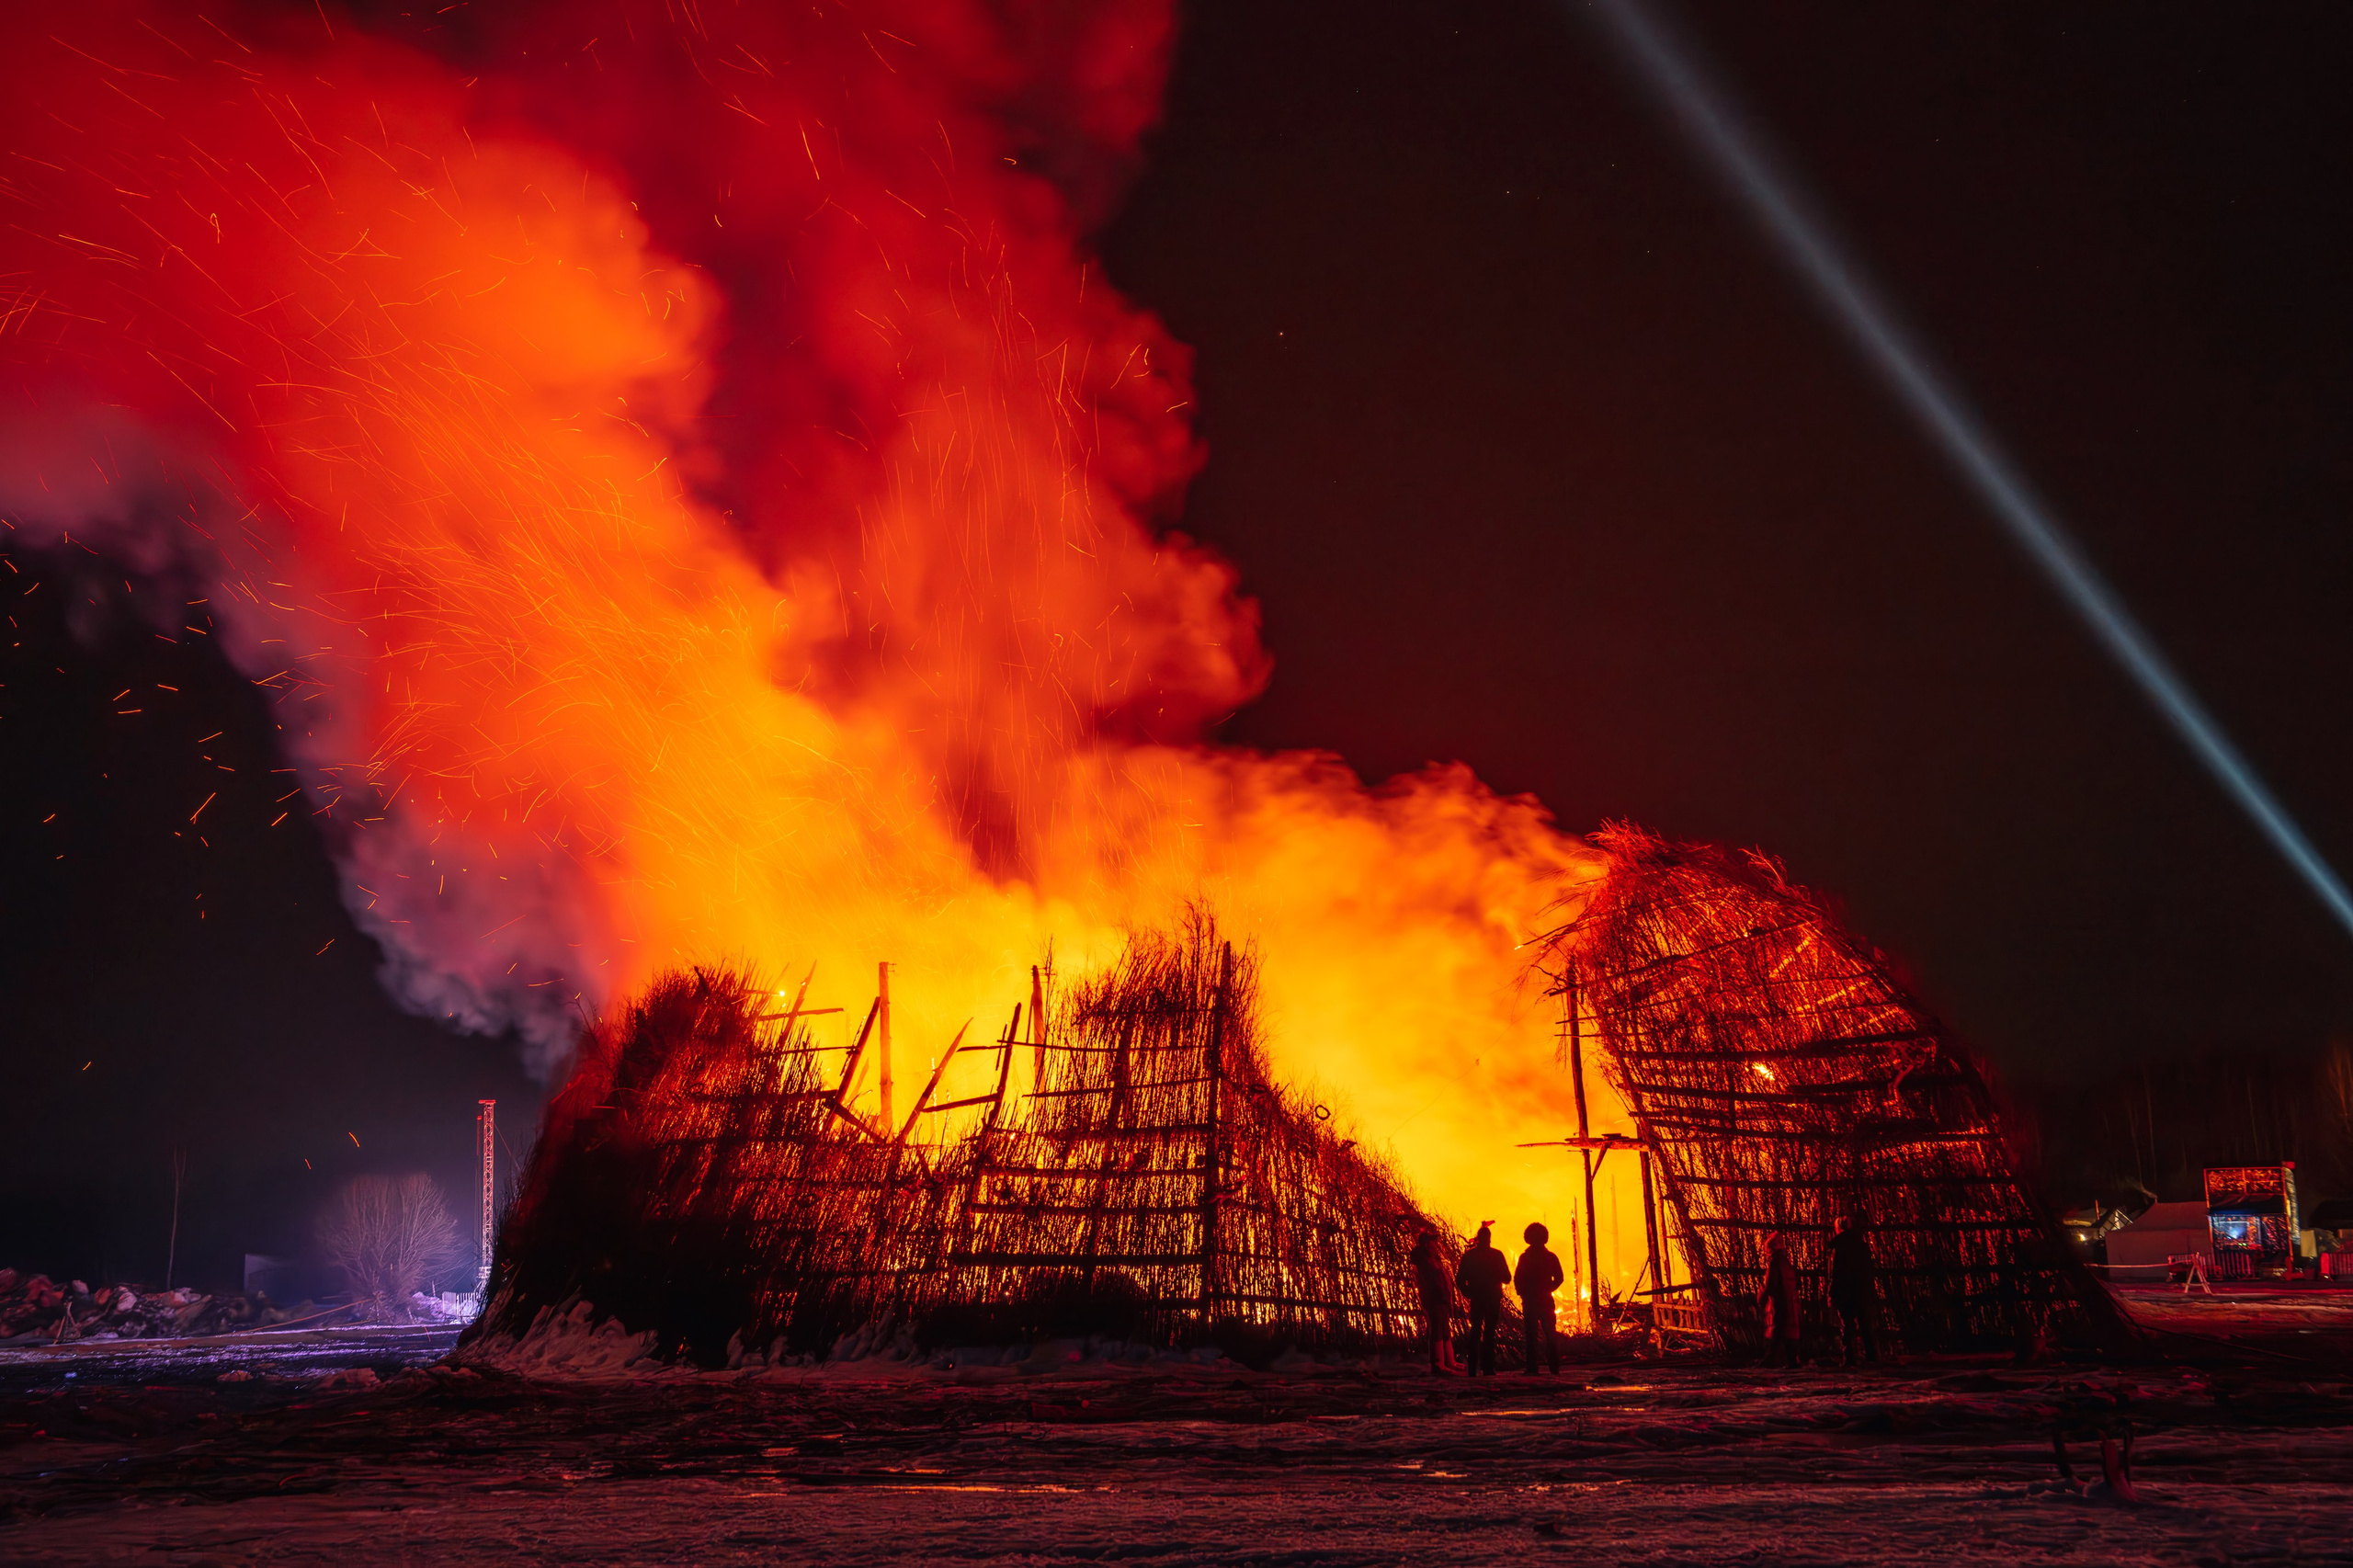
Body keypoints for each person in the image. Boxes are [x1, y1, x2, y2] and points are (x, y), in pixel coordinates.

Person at [1457, 1223, 1511, 1376]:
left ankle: (1472, 1369)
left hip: (1477, 1298)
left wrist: (1468, 1292)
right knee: (1489, 1333)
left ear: (1478, 1239)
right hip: (1493, 1299)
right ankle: (1488, 1368)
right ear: (1490, 1239)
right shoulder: (1497, 1255)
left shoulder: (1469, 1256)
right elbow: (1507, 1278)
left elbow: (1460, 1279)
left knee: (1475, 1331)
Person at [1825, 1214, 1878, 1366]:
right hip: (1862, 1291)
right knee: (1865, 1324)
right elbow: (1869, 1270)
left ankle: (1850, 1357)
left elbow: (1836, 1272)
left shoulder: (1839, 1247)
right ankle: (1872, 1356)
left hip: (1845, 1291)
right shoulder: (1862, 1245)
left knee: (1847, 1326)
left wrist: (1832, 1292)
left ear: (1839, 1229)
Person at [1514, 1221, 1565, 1375]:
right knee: (1550, 1334)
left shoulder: (1526, 1257)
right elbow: (1559, 1278)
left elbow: (1518, 1278)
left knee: (1532, 1336)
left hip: (1533, 1301)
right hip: (1542, 1300)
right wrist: (1548, 1289)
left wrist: (1522, 1292)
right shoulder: (1550, 1257)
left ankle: (1532, 1368)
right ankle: (1554, 1367)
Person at [1409, 1226, 1461, 1374]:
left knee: (1444, 1329)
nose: (1436, 1245)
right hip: (1435, 1300)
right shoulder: (1425, 1263)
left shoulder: (1433, 1260)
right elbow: (1432, 1283)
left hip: (1442, 1299)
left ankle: (1449, 1361)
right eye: (1433, 1242)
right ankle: (1438, 1363)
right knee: (1437, 1329)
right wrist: (1440, 1295)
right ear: (1426, 1244)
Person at [1757, 1231, 1802, 1368]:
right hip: (1789, 1301)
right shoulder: (1786, 1262)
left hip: (1779, 1301)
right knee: (1786, 1331)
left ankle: (1770, 1360)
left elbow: (1771, 1283)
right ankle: (1791, 1360)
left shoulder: (1774, 1263)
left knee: (1777, 1330)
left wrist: (1763, 1297)